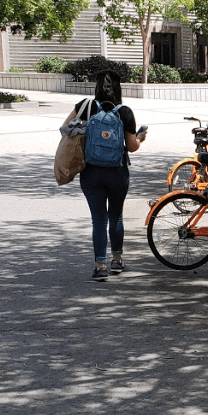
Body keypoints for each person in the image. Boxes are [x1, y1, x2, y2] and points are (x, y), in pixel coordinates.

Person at [63, 70, 147, 281]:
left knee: (98, 219)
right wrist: (141, 138)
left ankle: (100, 265)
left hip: (91, 172)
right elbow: (131, 146)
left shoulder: (85, 106)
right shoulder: (125, 111)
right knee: (116, 216)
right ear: (118, 88)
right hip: (117, 172)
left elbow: (65, 129)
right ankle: (117, 261)